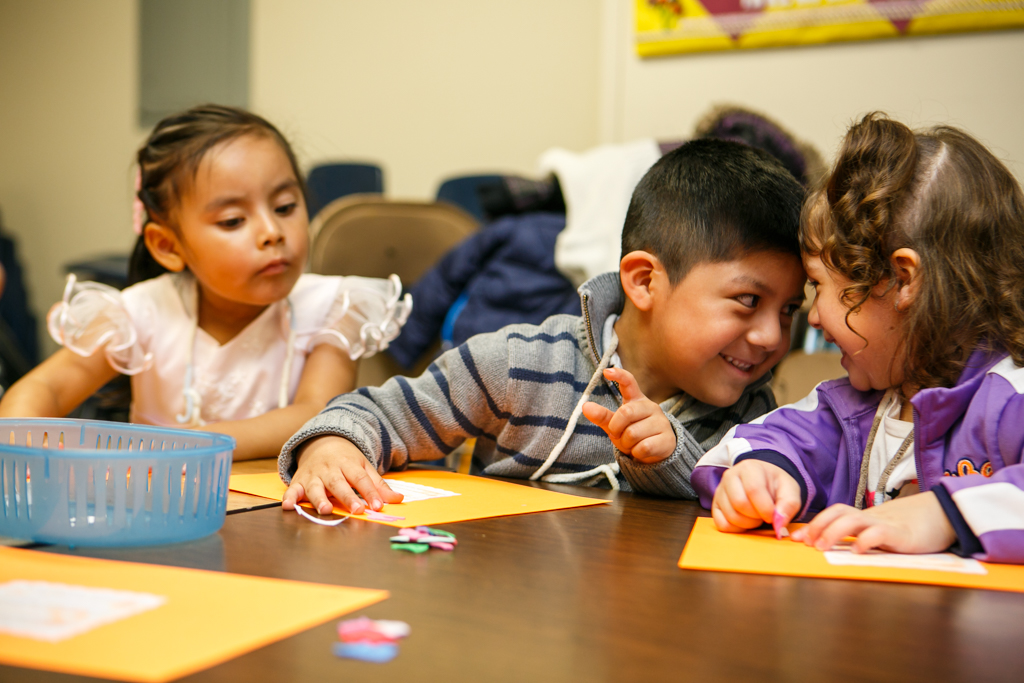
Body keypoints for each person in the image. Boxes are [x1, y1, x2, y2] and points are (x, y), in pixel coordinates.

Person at [280, 138, 808, 515]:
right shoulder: (519, 364)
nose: (771, 337)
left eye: (788, 310)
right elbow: (375, 411)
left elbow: (736, 514)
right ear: (644, 282)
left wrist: (667, 457)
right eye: (747, 301)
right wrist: (333, 449)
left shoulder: (753, 417)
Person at [693, 113, 1024, 564]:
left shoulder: (1011, 400)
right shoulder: (848, 409)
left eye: (817, 286)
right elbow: (732, 451)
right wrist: (763, 475)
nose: (812, 319)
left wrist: (944, 513)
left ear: (903, 280)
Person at [0, 105, 410, 460]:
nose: (272, 231)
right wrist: (20, 449)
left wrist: (192, 444)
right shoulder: (139, 313)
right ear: (168, 245)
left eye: (285, 206)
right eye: (233, 220)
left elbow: (317, 410)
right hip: (155, 513)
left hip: (275, 521)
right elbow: (46, 389)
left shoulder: (329, 308)